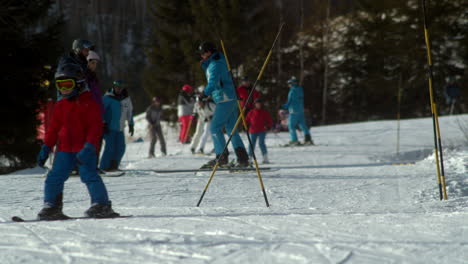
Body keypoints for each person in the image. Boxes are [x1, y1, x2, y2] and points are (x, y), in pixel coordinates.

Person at [36, 63, 119, 220]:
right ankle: (52, 206)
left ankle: (101, 204)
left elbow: (95, 128)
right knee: (54, 177)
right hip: (64, 150)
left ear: (79, 84)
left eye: (68, 84)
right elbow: (53, 129)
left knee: (89, 175)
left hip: (84, 150)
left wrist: (89, 147)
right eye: (60, 85)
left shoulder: (90, 104)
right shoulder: (60, 106)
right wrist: (46, 147)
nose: (64, 89)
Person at [199, 41, 250, 168]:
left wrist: (203, 94)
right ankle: (242, 158)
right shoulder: (219, 61)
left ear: (208, 52)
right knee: (231, 129)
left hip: (225, 98)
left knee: (215, 127)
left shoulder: (214, 64)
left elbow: (213, 82)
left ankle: (221, 156)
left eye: (203, 53)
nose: (201, 56)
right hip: (231, 98)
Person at [100, 80, 134, 171]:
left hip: (120, 128)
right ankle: (104, 167)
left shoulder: (126, 99)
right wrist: (103, 123)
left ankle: (114, 166)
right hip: (109, 128)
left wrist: (131, 124)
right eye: (117, 87)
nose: (118, 89)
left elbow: (129, 112)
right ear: (114, 87)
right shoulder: (107, 98)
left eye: (120, 88)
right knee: (110, 148)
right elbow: (101, 111)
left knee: (121, 148)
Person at [282, 76, 313, 145]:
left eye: (289, 83)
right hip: (301, 110)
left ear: (292, 83)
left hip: (293, 111)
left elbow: (290, 102)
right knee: (302, 124)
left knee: (291, 125)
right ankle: (308, 138)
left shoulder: (292, 91)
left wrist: (284, 106)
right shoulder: (300, 89)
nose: (288, 85)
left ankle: (294, 140)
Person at [245, 98, 273, 164]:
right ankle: (250, 158)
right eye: (257, 104)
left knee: (261, 143)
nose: (258, 105)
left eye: (260, 104)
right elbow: (246, 120)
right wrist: (245, 126)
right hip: (253, 131)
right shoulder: (251, 112)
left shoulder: (264, 112)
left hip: (262, 130)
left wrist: (268, 126)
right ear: (255, 104)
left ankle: (265, 158)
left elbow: (269, 120)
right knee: (252, 144)